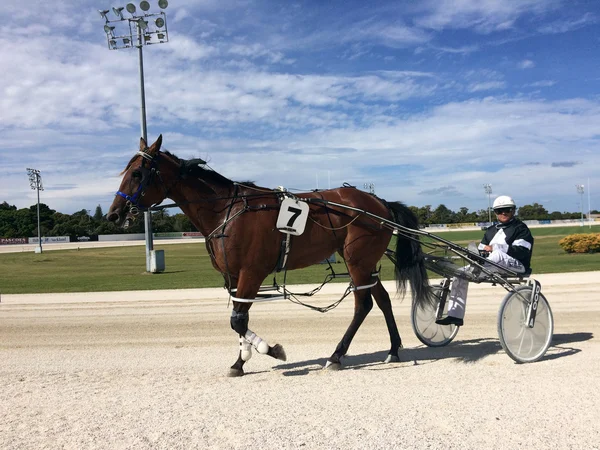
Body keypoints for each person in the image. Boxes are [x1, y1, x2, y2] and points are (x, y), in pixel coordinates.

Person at [435, 195, 534, 326]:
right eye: (499, 211)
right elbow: (481, 251)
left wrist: (496, 248)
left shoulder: (521, 228)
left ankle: (477, 267)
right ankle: (455, 315)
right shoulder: (491, 230)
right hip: (491, 266)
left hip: (517, 266)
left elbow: (522, 251)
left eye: (507, 210)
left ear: (513, 210)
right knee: (459, 274)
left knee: (497, 254)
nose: (503, 213)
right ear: (495, 213)